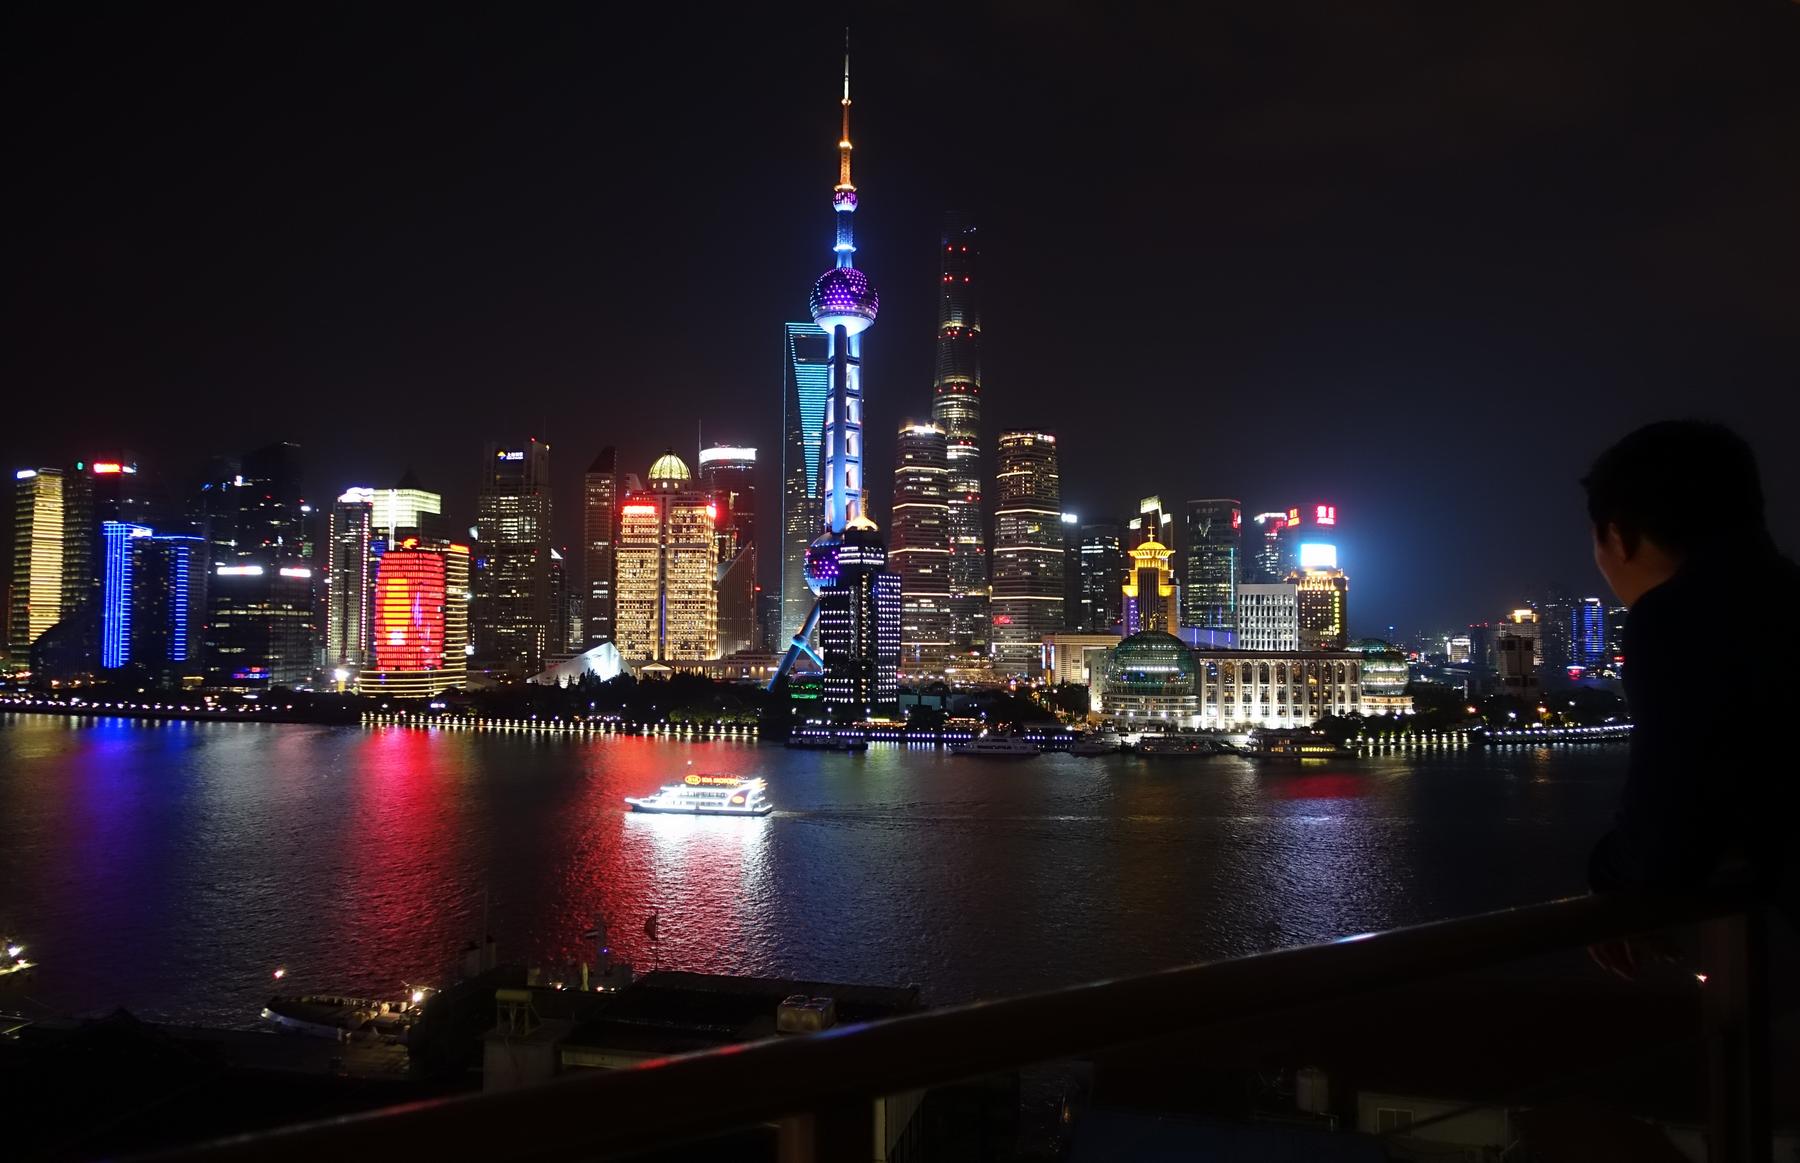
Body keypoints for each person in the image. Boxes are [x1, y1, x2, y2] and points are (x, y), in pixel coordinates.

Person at [1581, 420, 1798, 978]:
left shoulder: (1677, 617)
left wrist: (1606, 882)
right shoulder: (1783, 594)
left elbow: (1665, 837)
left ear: (1618, 537)